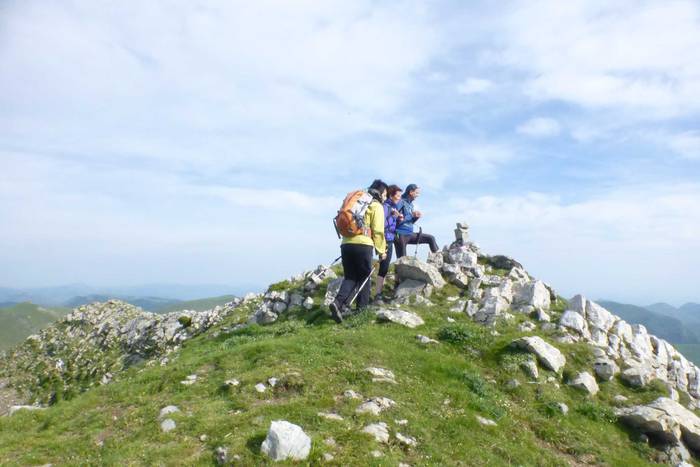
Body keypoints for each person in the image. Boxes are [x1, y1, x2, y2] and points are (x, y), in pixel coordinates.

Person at [330, 180, 388, 323]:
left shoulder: (357, 203)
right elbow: (378, 231)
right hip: (364, 244)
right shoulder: (376, 205)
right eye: (385, 194)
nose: (385, 197)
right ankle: (361, 312)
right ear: (380, 193)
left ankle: (338, 304)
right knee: (364, 278)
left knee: (350, 277)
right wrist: (381, 251)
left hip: (346, 243)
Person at [374, 184, 403, 301]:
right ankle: (377, 294)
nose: (399, 198)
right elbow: (381, 224)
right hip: (385, 239)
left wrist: (398, 219)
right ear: (391, 195)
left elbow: (393, 225)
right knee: (384, 266)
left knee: (385, 267)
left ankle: (378, 293)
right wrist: (392, 216)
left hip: (389, 238)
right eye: (398, 195)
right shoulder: (386, 206)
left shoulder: (393, 206)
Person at [394, 183, 439, 258]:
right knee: (402, 260)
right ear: (411, 192)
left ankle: (438, 259)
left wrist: (415, 217)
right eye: (417, 193)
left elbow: (410, 222)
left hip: (409, 234)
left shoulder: (411, 205)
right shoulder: (400, 202)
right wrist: (412, 215)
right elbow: (396, 219)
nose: (418, 195)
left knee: (431, 238)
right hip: (400, 235)